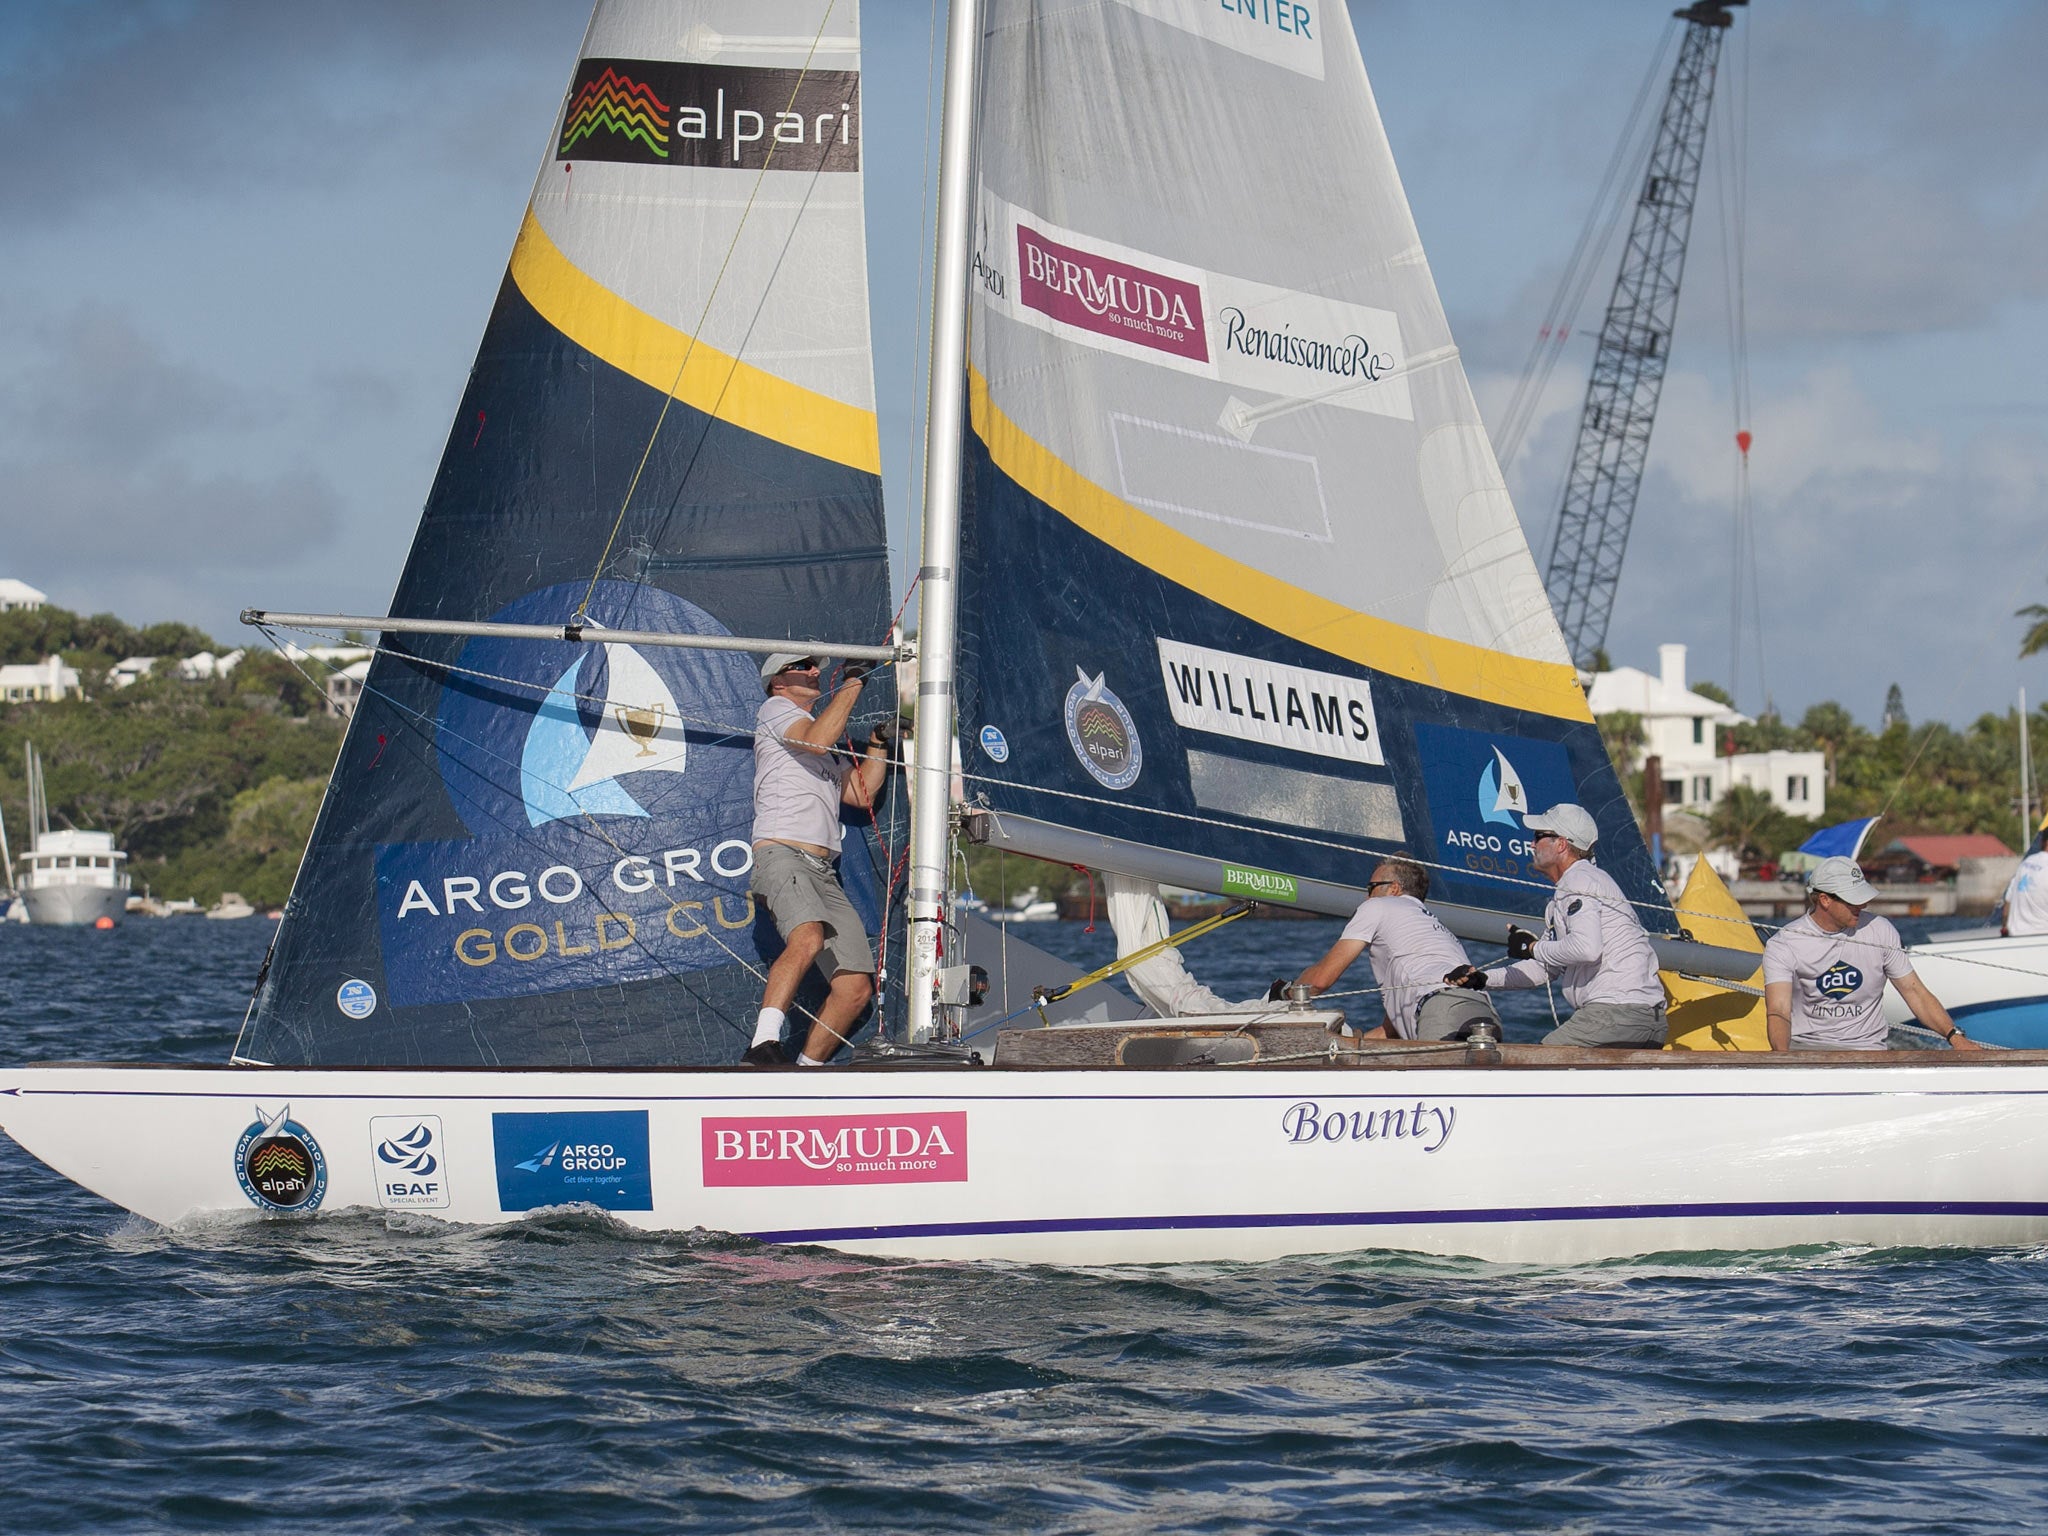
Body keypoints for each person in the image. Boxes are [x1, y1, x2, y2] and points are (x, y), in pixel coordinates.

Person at [742, 653, 893, 1066]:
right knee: (807, 937)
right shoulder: (775, 710)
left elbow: (861, 795)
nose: (814, 671)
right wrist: (853, 682)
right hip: (783, 853)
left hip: (825, 871)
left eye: (815, 666)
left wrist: (878, 743)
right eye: (803, 666)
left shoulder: (823, 746)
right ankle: (761, 1046)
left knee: (855, 988)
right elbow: (815, 738)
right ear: (778, 681)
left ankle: (806, 1071)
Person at [1456, 803, 1667, 1048]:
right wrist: (1482, 979)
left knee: (1539, 1064)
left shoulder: (1578, 880)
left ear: (1562, 844)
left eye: (1538, 837)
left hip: (1617, 1014)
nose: (1532, 845)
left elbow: (1587, 949)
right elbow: (1544, 968)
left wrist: (1532, 947)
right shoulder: (1577, 887)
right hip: (1648, 1020)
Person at [1763, 855, 1984, 1052]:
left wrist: (1955, 1037)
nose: (1862, 904)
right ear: (1825, 900)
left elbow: (1915, 992)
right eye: (1853, 899)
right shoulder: (1784, 943)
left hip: (1868, 1050)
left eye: (1863, 897)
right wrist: (1784, 1059)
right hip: (1808, 1049)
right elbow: (1778, 1009)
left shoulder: (1881, 930)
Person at [1289, 856, 1500, 1041]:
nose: (1366, 897)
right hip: (1486, 1014)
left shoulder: (1377, 906)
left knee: (1438, 1086)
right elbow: (1392, 1031)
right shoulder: (1429, 928)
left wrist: (1286, 992)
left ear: (1394, 888)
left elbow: (1319, 981)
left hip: (1441, 1010)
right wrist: (1346, 1043)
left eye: (1370, 887)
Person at [2001, 823, 2048, 937]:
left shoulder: (2026, 863)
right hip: (2041, 940)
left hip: (2015, 937)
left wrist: (2004, 929)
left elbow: (2007, 904)